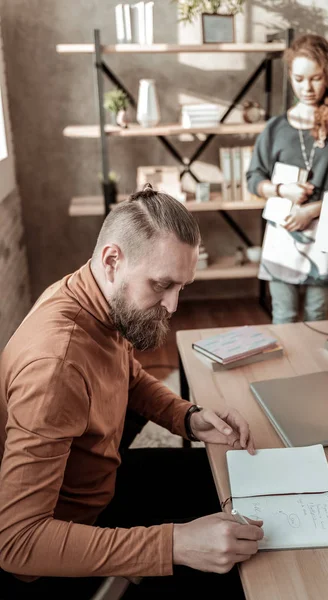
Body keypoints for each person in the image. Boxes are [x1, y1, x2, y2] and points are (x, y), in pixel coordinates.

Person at [0, 186, 263, 600]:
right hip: (67, 544)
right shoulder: (55, 369)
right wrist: (176, 544)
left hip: (103, 484)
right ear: (112, 261)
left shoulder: (94, 296)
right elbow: (18, 544)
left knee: (228, 488)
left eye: (182, 287)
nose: (173, 305)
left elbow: (128, 375)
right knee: (243, 572)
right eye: (162, 285)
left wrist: (188, 416)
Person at [247, 34, 328, 324]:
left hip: (327, 235)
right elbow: (253, 179)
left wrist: (311, 210)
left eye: (316, 78)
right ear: (290, 76)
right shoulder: (276, 128)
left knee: (317, 316)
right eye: (299, 78)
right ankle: (288, 372)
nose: (307, 87)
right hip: (282, 236)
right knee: (284, 316)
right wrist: (282, 189)